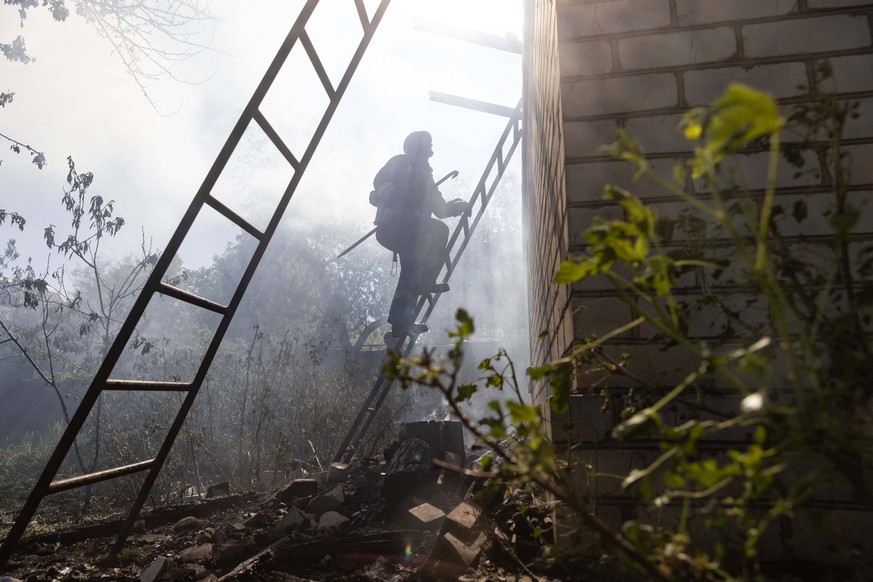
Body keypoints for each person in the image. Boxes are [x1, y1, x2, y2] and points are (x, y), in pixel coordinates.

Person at [371, 131, 468, 338]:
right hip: (394, 225)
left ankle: (399, 322)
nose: (431, 148)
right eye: (427, 144)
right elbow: (380, 182)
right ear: (416, 147)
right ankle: (426, 277)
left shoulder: (427, 176)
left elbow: (439, 209)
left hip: (412, 231)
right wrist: (393, 195)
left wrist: (456, 208)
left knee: (410, 270)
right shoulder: (400, 163)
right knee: (439, 232)